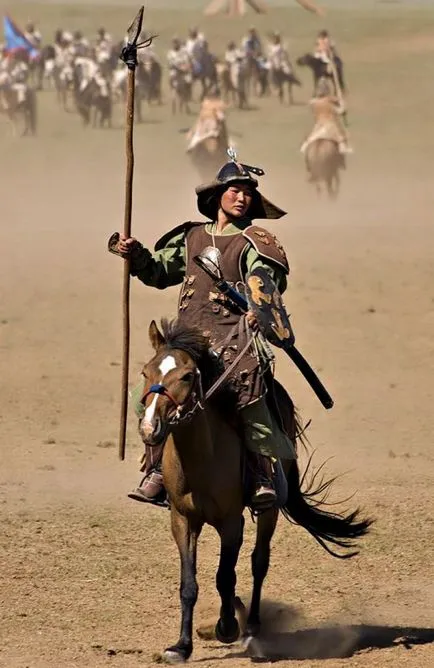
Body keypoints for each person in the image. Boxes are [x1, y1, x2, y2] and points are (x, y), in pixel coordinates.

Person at [108, 154, 296, 513]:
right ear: (218, 196)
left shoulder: (255, 241)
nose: (241, 198)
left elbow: (267, 283)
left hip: (235, 340)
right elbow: (160, 272)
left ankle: (259, 474)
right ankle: (158, 471)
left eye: (247, 194)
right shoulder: (192, 236)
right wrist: (136, 255)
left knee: (250, 400)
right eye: (235, 191)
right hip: (188, 341)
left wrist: (260, 309)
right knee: (145, 398)